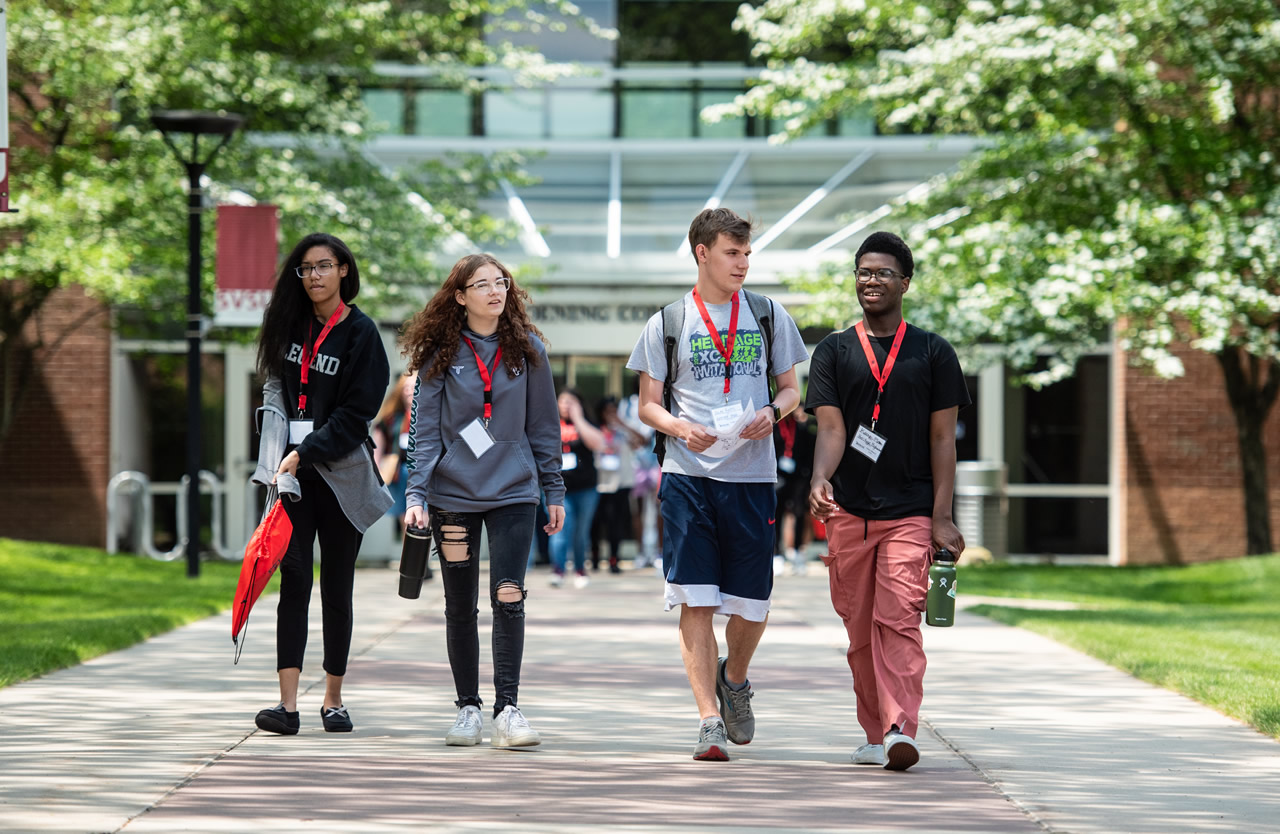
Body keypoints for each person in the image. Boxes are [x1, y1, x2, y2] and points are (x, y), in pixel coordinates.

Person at [627, 207, 809, 761]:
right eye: (733, 253)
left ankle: (736, 679)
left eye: (748, 253)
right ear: (702, 252)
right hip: (688, 478)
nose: (743, 263)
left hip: (752, 477)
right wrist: (680, 426)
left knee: (753, 605)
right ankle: (708, 718)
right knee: (696, 599)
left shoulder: (769, 314)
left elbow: (792, 390)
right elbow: (648, 406)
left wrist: (773, 413)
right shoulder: (667, 322)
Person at [807, 231, 970, 771]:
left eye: (881, 272)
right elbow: (830, 430)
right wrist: (819, 479)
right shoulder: (833, 350)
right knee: (857, 630)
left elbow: (943, 440)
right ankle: (875, 735)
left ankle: (903, 727)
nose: (870, 280)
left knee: (898, 620)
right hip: (849, 510)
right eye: (863, 271)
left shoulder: (932, 352)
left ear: (906, 282)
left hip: (910, 511)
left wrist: (942, 517)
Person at [401, 253, 565, 748]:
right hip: (453, 495)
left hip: (515, 492)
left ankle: (508, 710)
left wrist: (552, 488)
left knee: (509, 595)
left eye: (501, 283)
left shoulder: (529, 350)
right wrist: (415, 493)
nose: (495, 291)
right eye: (482, 284)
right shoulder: (439, 356)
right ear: (459, 295)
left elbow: (543, 425)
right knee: (459, 605)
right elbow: (424, 432)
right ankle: (468, 708)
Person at [251, 232, 392, 736]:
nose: (313, 276)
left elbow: (357, 416)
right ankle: (286, 707)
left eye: (323, 266)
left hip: (341, 475)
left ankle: (333, 699)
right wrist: (274, 454)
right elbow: (277, 389)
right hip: (293, 478)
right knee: (294, 582)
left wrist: (303, 451)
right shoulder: (288, 327)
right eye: (305, 268)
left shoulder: (362, 333)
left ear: (344, 272)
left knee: (337, 586)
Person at [549, 388, 604, 588]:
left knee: (581, 532)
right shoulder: (550, 423)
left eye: (571, 401)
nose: (565, 405)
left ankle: (580, 569)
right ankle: (558, 570)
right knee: (560, 530)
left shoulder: (586, 423)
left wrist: (578, 418)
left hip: (586, 488)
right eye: (562, 401)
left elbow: (599, 443)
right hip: (559, 488)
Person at [592, 395, 644, 573]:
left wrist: (623, 424)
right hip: (600, 484)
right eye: (608, 412)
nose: (611, 415)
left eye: (614, 412)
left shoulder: (622, 431)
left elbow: (642, 441)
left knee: (617, 523)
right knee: (597, 523)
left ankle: (614, 559)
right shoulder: (594, 430)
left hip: (622, 483)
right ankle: (595, 556)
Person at [773, 406, 816, 576]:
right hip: (778, 477)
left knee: (799, 513)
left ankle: (798, 551)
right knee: (776, 515)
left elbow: (808, 454)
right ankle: (777, 554)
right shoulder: (775, 428)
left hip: (798, 478)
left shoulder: (801, 429)